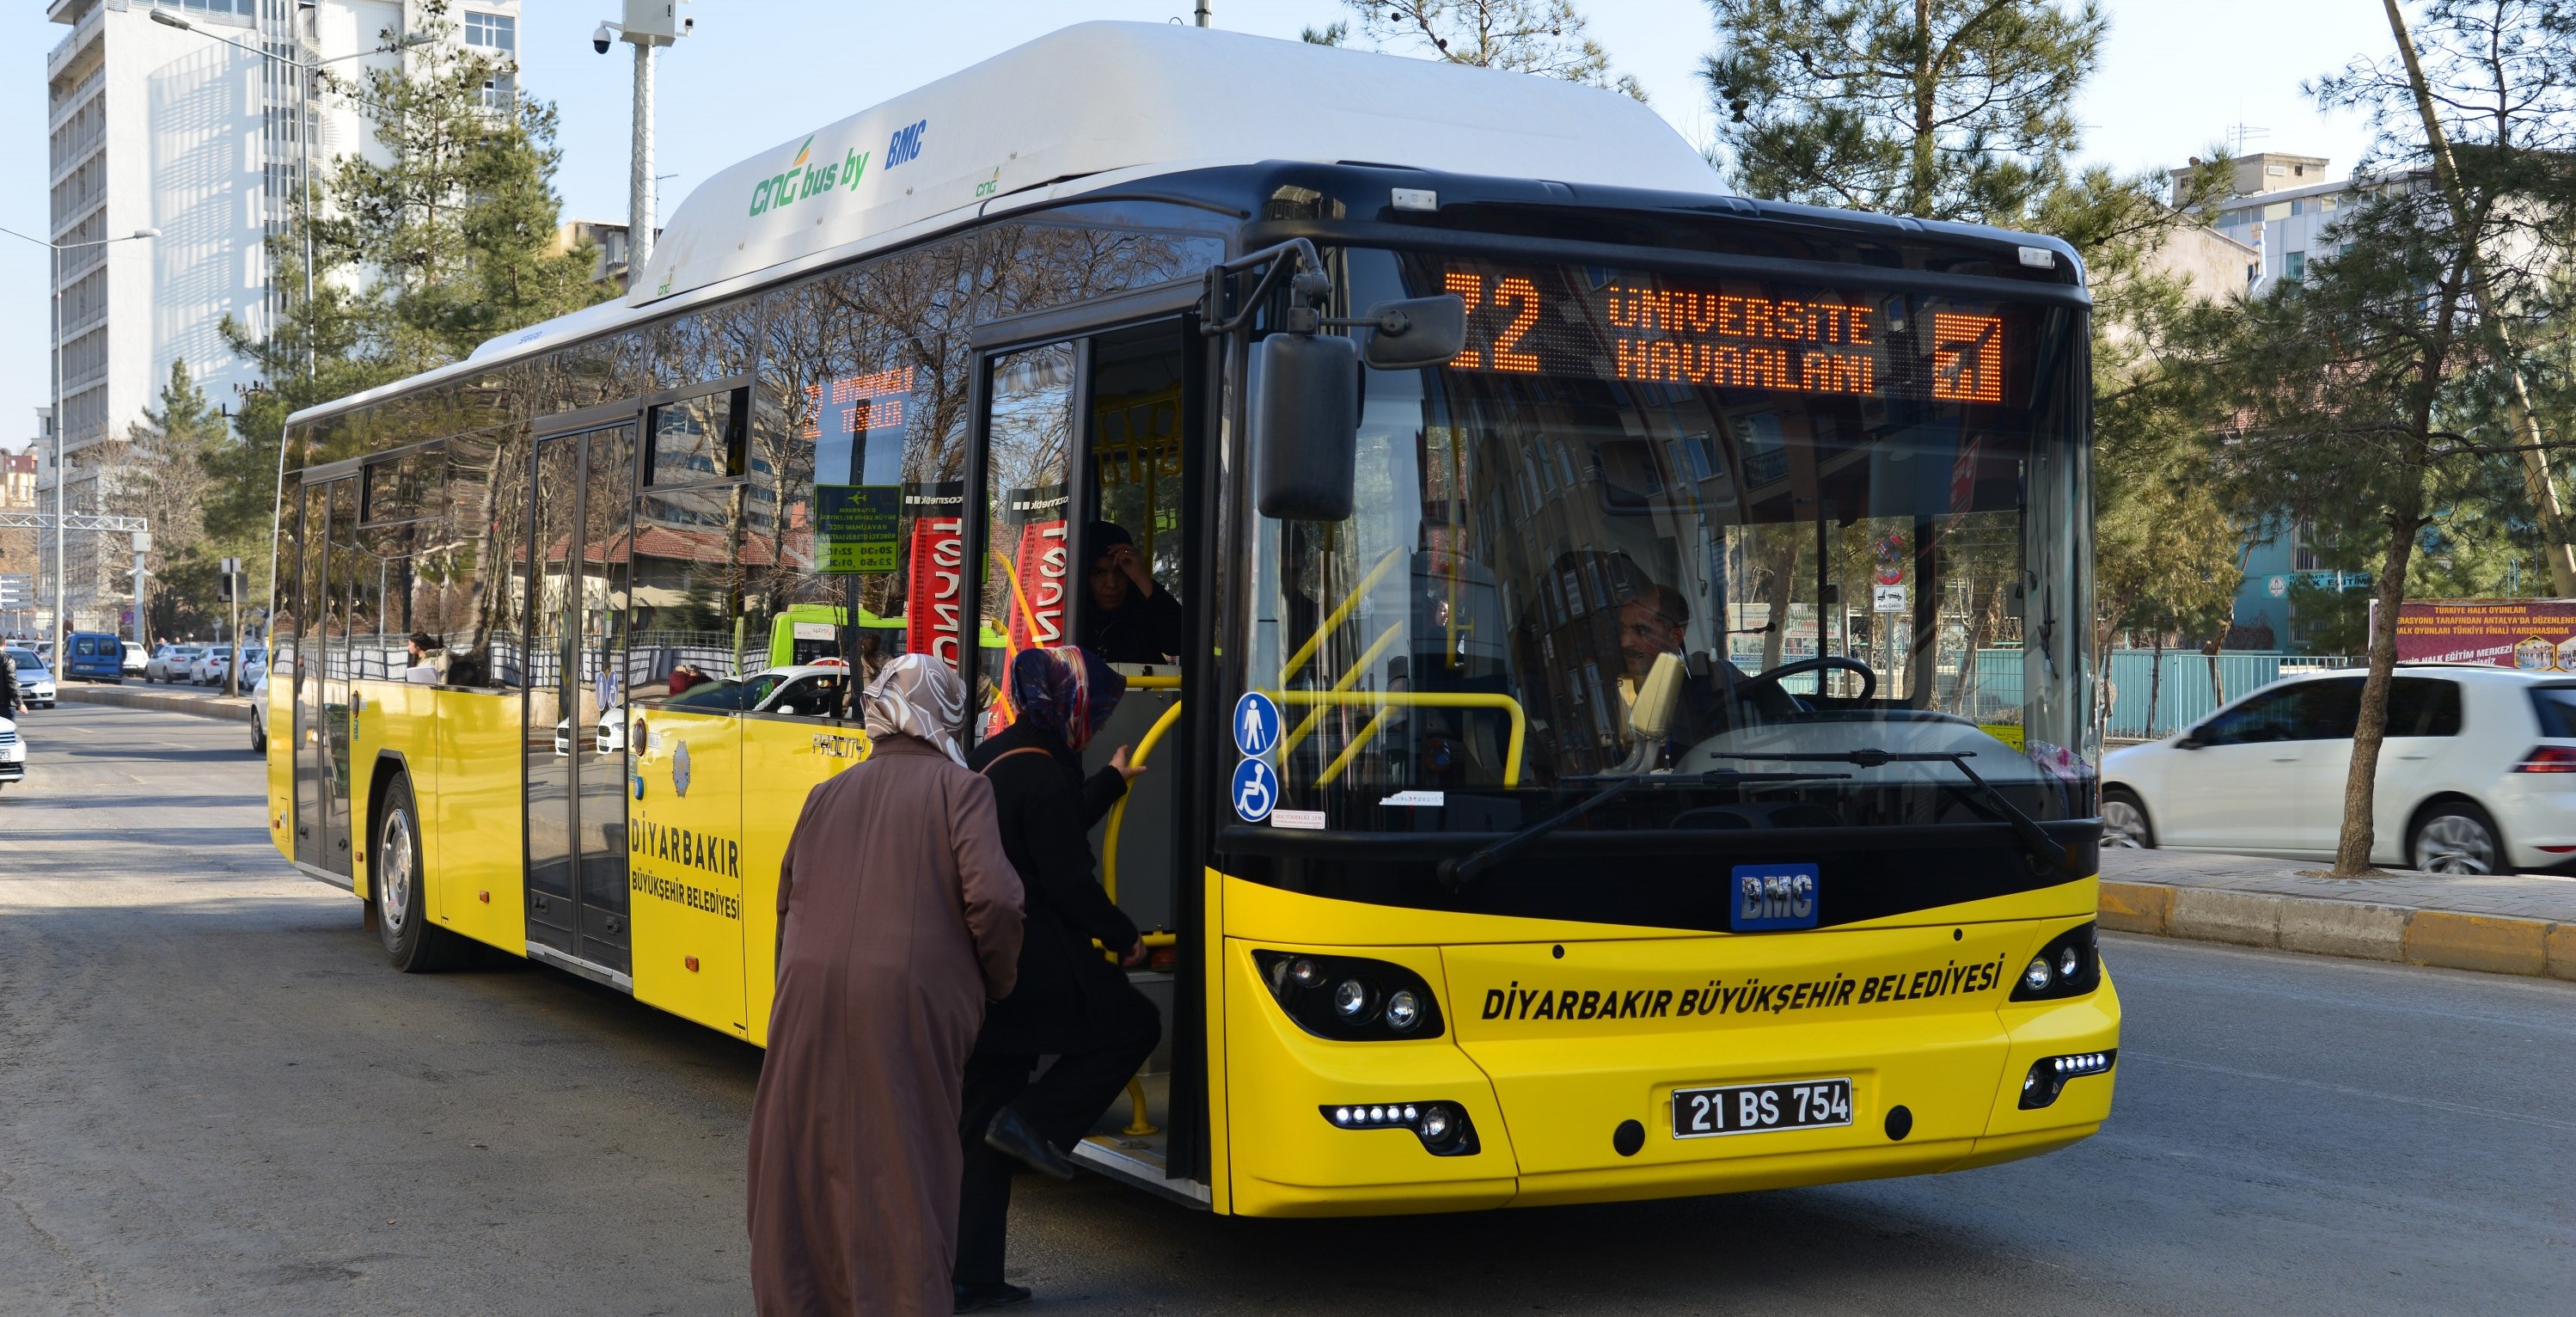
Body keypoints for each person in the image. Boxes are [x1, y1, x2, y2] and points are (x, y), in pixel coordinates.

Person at [746, 654, 1026, 1317]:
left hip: (808, 993)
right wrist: (993, 980)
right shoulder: (963, 790)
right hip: (909, 998)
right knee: (905, 1160)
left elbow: (788, 898)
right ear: (946, 713)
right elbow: (996, 903)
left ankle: (807, 1298)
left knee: (807, 1152)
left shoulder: (828, 792)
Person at [954, 646, 1159, 1313]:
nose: (1096, 724)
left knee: (982, 1120)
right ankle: (1036, 1125)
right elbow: (1066, 878)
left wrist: (1109, 783)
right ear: (1068, 706)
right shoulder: (1044, 774)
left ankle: (972, 1277)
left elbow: (1043, 827)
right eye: (1094, 710)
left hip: (979, 964)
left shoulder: (994, 756)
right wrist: (1124, 936)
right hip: (1036, 960)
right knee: (1133, 1024)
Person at [1075, 521, 1188, 665]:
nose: (1111, 584)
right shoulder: (1069, 617)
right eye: (1099, 572)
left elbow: (1180, 642)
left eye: (1120, 571)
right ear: (1084, 576)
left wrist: (1142, 580)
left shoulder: (1141, 605)